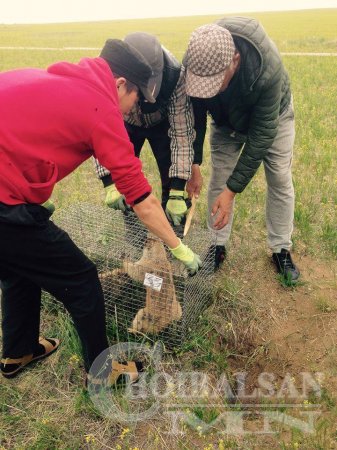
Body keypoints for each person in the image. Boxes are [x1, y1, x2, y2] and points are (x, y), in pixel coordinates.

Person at [0, 39, 201, 382]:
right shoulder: (101, 107)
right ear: (121, 84)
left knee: (17, 267)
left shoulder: (66, 80)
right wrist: (178, 247)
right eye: (136, 95)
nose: (135, 105)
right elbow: (142, 199)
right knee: (81, 279)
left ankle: (19, 351)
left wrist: (27, 183)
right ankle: (103, 371)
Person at [183, 18, 300, 282]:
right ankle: (217, 245)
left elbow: (261, 137)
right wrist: (195, 164)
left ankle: (281, 248)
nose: (208, 88)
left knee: (279, 177)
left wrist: (232, 190)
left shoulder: (267, 68)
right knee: (218, 178)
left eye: (215, 80)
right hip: (226, 121)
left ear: (234, 59)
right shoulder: (198, 57)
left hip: (272, 118)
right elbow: (196, 115)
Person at [94, 32, 203, 227]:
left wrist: (178, 189)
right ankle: (133, 227)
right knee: (124, 179)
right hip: (126, 123)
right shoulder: (112, 72)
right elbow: (99, 128)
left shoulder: (175, 75)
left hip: (161, 123)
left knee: (170, 181)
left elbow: (182, 132)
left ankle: (172, 228)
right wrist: (109, 181)